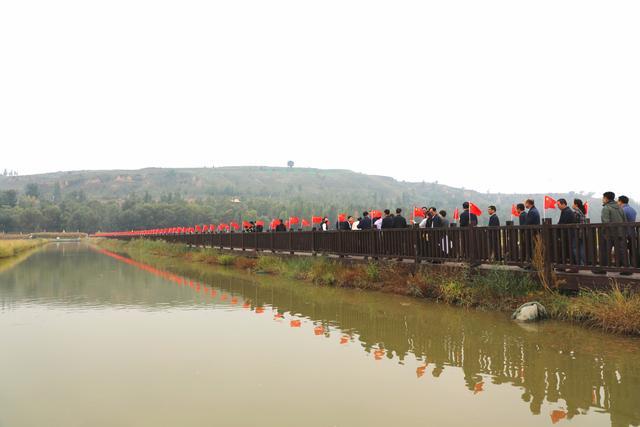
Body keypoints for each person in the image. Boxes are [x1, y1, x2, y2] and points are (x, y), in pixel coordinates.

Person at [594, 191, 628, 274]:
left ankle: (602, 269)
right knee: (621, 251)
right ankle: (626, 270)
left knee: (604, 251)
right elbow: (625, 221)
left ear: (606, 198)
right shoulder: (620, 207)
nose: (602, 199)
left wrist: (604, 234)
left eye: (603, 198)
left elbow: (606, 223)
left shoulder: (606, 208)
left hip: (609, 235)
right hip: (620, 233)